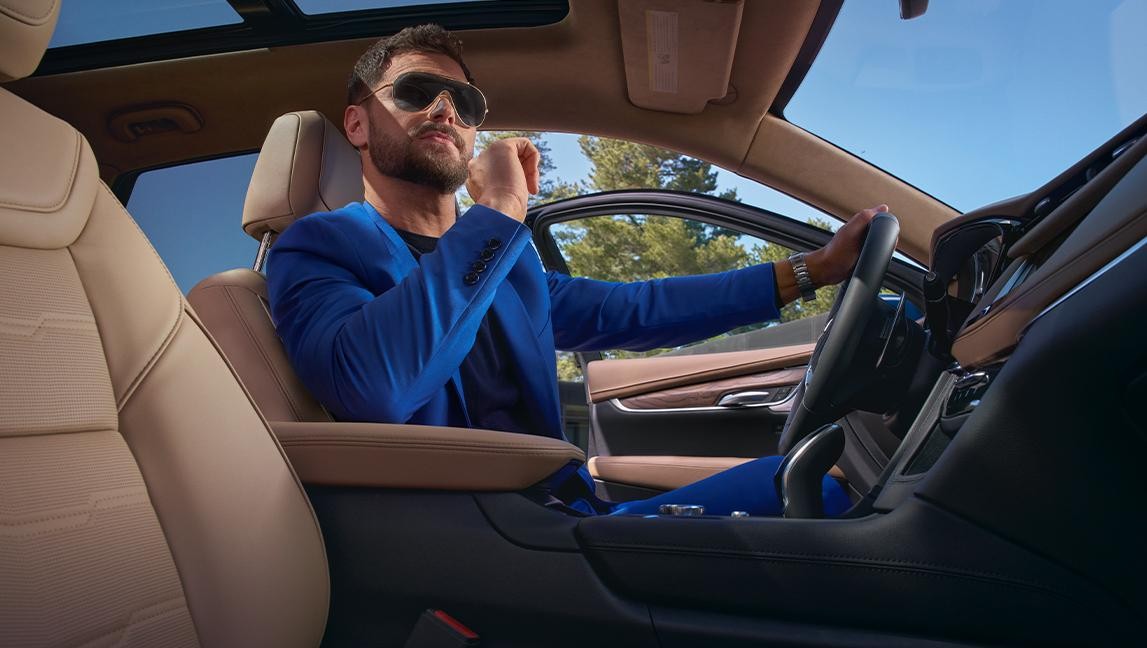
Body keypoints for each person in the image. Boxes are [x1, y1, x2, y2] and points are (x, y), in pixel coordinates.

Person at [267, 24, 887, 516]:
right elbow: (376, 386)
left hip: (559, 513)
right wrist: (503, 209)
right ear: (356, 123)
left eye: (464, 100)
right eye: (414, 92)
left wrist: (812, 271)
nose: (444, 110)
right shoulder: (319, 246)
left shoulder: (505, 264)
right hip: (470, 534)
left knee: (816, 483)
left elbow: (635, 309)